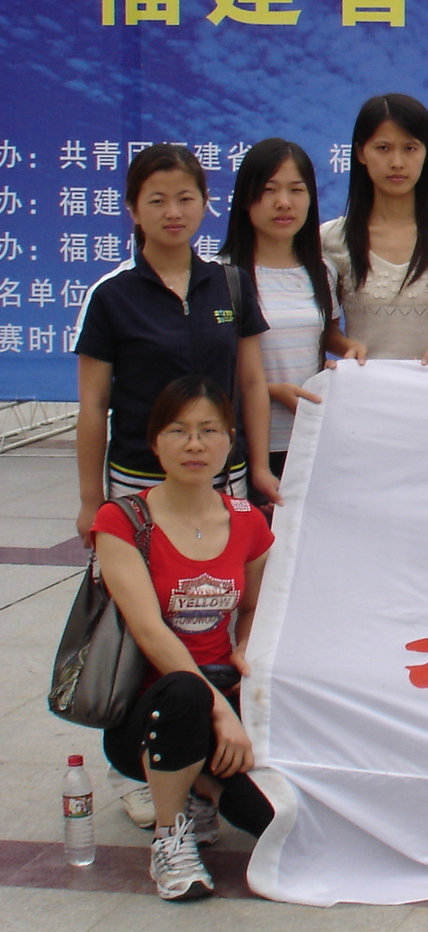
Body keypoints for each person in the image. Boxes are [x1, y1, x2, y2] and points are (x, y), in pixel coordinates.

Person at [91, 375, 276, 900]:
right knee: (186, 693)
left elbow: (255, 607)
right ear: (155, 442)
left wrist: (245, 646)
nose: (194, 444)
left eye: (208, 430)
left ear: (230, 441)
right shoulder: (123, 520)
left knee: (267, 819)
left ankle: (203, 786)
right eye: (178, 431)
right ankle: (171, 837)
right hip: (149, 712)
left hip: (223, 696)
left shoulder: (249, 521)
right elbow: (149, 631)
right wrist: (219, 710)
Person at [74, 144, 275, 541]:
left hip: (222, 479)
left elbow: (252, 384)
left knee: (222, 579)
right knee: (140, 579)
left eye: (185, 199)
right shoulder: (111, 296)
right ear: (133, 210)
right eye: (157, 201)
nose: (173, 212)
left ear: (204, 204)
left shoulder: (231, 284)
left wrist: (260, 469)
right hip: (139, 483)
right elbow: (94, 405)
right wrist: (90, 500)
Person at [225, 139, 357, 483]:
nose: (284, 202)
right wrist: (267, 390)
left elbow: (326, 334)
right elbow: (208, 363)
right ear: (245, 198)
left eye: (296, 190)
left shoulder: (322, 271)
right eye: (269, 190)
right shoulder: (221, 275)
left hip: (309, 439)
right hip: (242, 443)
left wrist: (348, 349)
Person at [321, 93, 428, 362]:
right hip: (363, 383)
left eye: (410, 148)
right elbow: (325, 329)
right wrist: (348, 347)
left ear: (427, 153)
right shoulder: (332, 239)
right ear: (360, 153)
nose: (397, 162)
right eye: (383, 148)